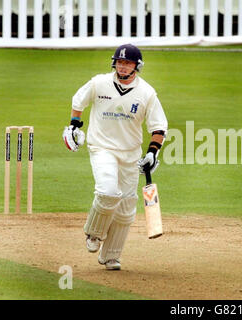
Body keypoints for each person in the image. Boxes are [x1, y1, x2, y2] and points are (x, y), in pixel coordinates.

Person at [62, 44, 168, 270]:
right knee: (109, 192)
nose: (122, 66)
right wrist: (73, 126)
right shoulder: (99, 82)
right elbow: (78, 101)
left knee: (127, 208)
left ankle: (110, 255)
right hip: (102, 148)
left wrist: (152, 153)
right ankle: (93, 232)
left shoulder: (147, 93)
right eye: (120, 62)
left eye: (127, 63)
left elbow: (159, 127)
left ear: (137, 66)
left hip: (130, 154)